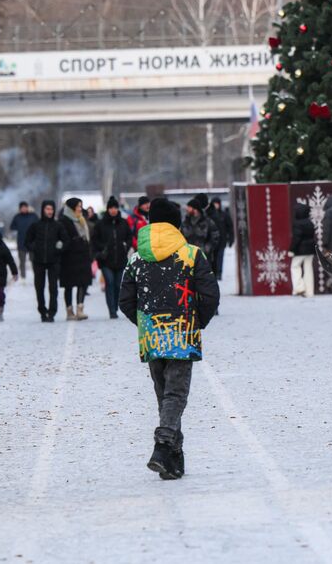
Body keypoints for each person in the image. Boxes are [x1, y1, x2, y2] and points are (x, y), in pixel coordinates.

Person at [119, 197, 219, 480]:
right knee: (175, 395)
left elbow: (125, 300)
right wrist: (197, 322)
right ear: (176, 224)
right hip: (181, 333)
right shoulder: (191, 254)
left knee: (165, 397)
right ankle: (163, 446)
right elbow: (210, 294)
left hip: (151, 336)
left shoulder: (136, 259)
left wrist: (144, 324)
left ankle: (173, 461)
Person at [94, 196, 134, 320]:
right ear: (107, 209)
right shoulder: (100, 224)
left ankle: (115, 306)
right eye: (111, 208)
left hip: (121, 259)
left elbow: (129, 237)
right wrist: (102, 250)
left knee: (118, 284)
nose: (113, 210)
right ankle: (111, 309)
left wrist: (125, 246)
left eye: (115, 208)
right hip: (106, 260)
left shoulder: (123, 222)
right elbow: (95, 240)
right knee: (109, 283)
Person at [25, 200, 63, 322]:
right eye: (47, 209)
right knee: (39, 288)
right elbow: (27, 241)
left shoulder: (58, 226)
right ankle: (42, 311)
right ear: (43, 210)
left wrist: (59, 249)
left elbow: (66, 241)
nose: (49, 212)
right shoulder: (36, 225)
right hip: (39, 261)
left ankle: (52, 313)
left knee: (53, 288)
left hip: (53, 262)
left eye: (51, 209)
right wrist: (34, 248)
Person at [58, 197, 93, 321]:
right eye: (78, 206)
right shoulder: (63, 220)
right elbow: (64, 238)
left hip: (83, 257)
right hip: (69, 258)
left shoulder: (81, 219)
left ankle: (80, 309)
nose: (80, 208)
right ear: (72, 208)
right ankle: (69, 311)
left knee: (82, 283)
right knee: (69, 285)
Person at [289, 202, 318, 297]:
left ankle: (299, 287)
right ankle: (309, 291)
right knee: (308, 268)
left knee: (295, 266)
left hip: (300, 250)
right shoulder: (310, 222)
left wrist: (291, 250)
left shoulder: (297, 223)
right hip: (310, 249)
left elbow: (296, 238)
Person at [8, 201, 38, 279]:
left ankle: (37, 276)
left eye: (25, 207)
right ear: (20, 209)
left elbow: (39, 225)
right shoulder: (17, 217)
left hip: (32, 242)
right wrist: (18, 229)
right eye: (22, 207)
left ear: (28, 208)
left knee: (34, 261)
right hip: (21, 242)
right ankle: (23, 277)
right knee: (22, 261)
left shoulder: (33, 216)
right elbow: (12, 227)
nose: (24, 209)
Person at [209, 197, 234, 280]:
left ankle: (219, 273)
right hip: (211, 241)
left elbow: (230, 227)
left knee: (220, 257)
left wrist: (231, 239)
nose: (216, 205)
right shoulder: (209, 215)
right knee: (213, 258)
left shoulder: (224, 215)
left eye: (217, 203)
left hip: (222, 240)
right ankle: (214, 273)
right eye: (214, 203)